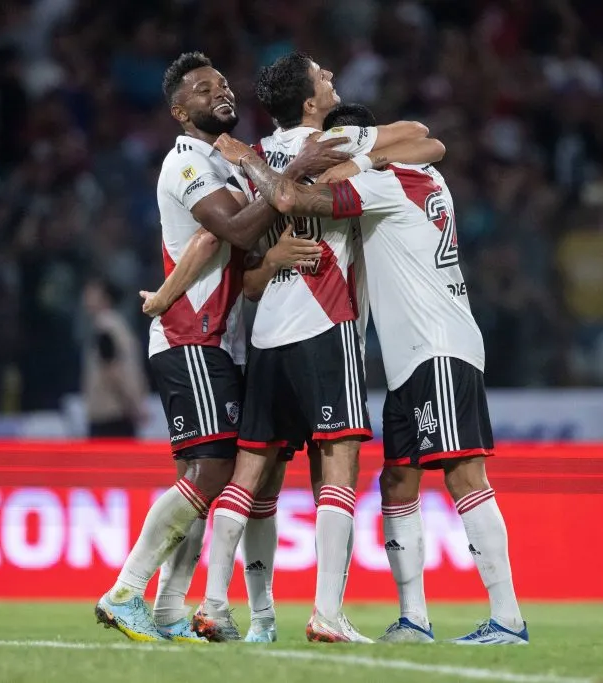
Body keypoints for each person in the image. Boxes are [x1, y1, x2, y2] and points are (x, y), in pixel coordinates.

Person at [213, 102, 529, 645]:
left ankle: (508, 618)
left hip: (438, 345)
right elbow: (429, 140)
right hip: (408, 358)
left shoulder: (384, 184)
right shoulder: (413, 174)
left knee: (464, 475)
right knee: (396, 481)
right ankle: (414, 619)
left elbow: (293, 199)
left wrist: (271, 164)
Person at [94, 51, 346, 644]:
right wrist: (293, 173)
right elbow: (233, 230)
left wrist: (271, 241)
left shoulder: (229, 166)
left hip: (225, 337)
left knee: (207, 478)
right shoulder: (186, 163)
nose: (221, 94)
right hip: (191, 335)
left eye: (224, 85)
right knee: (214, 470)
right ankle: (124, 591)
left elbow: (241, 257)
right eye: (205, 91)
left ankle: (167, 610)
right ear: (182, 111)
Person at [194, 52, 446, 644]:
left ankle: (214, 604)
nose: (333, 80)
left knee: (249, 474)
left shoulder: (257, 156)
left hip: (266, 334)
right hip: (325, 325)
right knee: (339, 467)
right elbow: (422, 136)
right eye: (324, 78)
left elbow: (248, 275)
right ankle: (327, 612)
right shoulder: (332, 141)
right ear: (310, 103)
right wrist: (362, 155)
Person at [81, 277, 148, 438]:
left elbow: (111, 369)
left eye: (92, 292)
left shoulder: (105, 327)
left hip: (111, 415)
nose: (86, 297)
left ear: (105, 298)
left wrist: (133, 406)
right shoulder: (118, 325)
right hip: (119, 412)